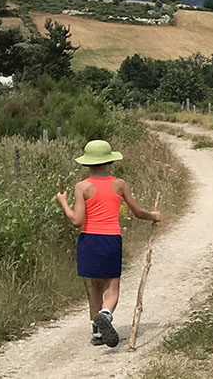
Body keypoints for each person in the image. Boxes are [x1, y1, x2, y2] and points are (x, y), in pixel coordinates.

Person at [54, 140, 160, 347]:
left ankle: (96, 333)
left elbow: (77, 221)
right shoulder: (119, 184)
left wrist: (63, 202)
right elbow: (138, 213)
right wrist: (154, 215)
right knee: (112, 287)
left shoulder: (81, 187)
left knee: (95, 287)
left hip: (88, 241)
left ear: (87, 164)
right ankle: (105, 314)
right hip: (111, 239)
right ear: (110, 161)